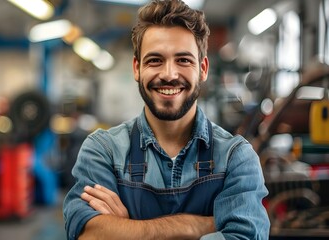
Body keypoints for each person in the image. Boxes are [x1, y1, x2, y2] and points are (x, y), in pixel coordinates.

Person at [63, 0, 270, 239]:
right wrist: (195, 226)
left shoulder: (236, 157)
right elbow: (88, 234)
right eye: (155, 60)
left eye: (183, 60)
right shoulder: (102, 151)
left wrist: (127, 229)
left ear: (202, 69)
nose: (169, 74)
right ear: (137, 68)